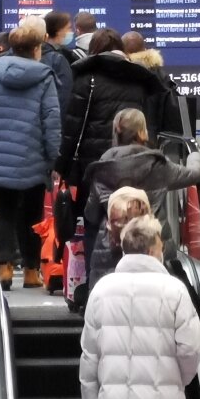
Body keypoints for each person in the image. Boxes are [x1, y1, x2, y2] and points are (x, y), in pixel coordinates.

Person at [80, 215, 200, 399]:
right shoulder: (174, 290)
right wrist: (177, 380)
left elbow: (90, 353)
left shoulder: (102, 290)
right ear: (151, 250)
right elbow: (191, 348)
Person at [57, 28, 167, 255]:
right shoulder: (141, 79)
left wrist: (61, 165)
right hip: (135, 162)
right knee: (133, 220)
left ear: (94, 49)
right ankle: (131, 269)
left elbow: (73, 126)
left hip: (94, 165)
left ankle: (93, 281)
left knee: (92, 221)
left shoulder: (87, 78)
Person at [0, 22, 62, 290]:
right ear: (37, 48)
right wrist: (54, 156)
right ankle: (32, 272)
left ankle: (5, 269)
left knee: (5, 213)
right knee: (32, 216)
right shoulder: (45, 76)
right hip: (33, 155)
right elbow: (51, 120)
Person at [84, 109, 200, 285]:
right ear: (142, 132)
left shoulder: (102, 166)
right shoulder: (155, 164)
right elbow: (195, 174)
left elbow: (91, 214)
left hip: (111, 252)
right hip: (153, 247)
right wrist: (195, 154)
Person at [122, 31, 184, 140]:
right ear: (144, 48)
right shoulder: (160, 76)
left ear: (123, 50)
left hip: (126, 138)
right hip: (156, 140)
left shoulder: (121, 74)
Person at [42, 10, 76, 114]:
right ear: (58, 31)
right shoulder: (58, 59)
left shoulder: (38, 52)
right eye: (68, 28)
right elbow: (63, 95)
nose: (71, 32)